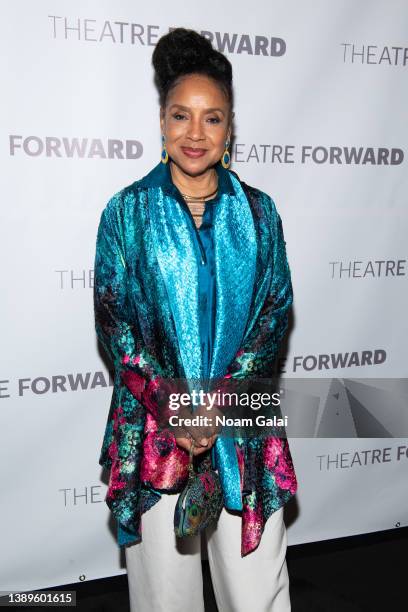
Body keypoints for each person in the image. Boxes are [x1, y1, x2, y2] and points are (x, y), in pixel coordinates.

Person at [93, 27, 298, 612]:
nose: (195, 133)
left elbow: (273, 314)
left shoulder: (259, 213)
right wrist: (176, 407)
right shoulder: (126, 213)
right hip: (156, 428)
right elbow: (118, 326)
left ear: (230, 128)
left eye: (213, 119)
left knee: (257, 595)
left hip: (244, 427)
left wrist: (218, 405)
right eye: (182, 115)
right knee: (165, 600)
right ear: (162, 120)